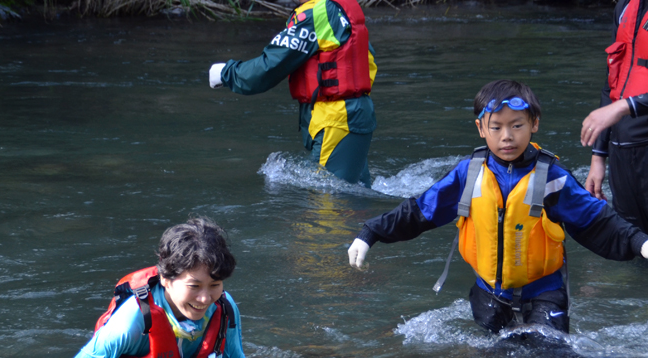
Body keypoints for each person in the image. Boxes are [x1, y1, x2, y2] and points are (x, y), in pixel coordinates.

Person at [347, 80, 648, 335]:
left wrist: (640, 242)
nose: (507, 136)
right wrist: (370, 232)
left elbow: (597, 220)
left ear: (534, 124)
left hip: (544, 295)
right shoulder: (468, 174)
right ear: (481, 128)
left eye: (517, 125)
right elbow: (419, 211)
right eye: (497, 127)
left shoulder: (551, 177)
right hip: (488, 294)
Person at [57, 217, 263, 358]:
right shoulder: (133, 322)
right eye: (194, 286)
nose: (205, 298)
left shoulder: (225, 309)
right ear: (165, 278)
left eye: (215, 285)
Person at [207, 0, 377, 186]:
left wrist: (227, 73)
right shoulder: (342, 8)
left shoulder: (315, 13)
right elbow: (367, 62)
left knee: (327, 207)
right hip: (355, 115)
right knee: (356, 203)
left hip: (336, 120)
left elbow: (271, 66)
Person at [581, 0, 648, 234]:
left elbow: (616, 107)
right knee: (633, 243)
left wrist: (623, 107)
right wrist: (598, 157)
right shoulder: (625, 6)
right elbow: (612, 80)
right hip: (622, 155)